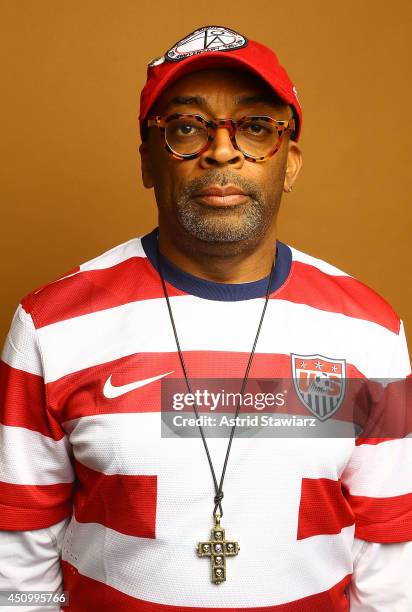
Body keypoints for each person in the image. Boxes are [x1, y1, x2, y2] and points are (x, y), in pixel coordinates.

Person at [0, 24, 411, 612]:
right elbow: (18, 550)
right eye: (186, 127)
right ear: (147, 160)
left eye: (255, 127)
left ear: (289, 162)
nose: (221, 151)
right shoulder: (49, 325)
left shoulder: (371, 331)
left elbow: (390, 553)